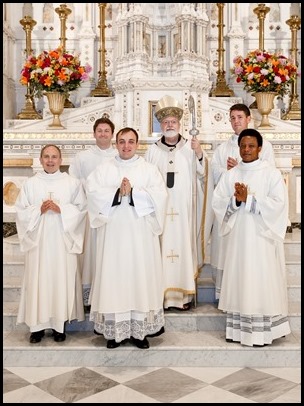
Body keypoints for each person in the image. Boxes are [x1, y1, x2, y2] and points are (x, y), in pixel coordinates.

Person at [86, 127, 168, 349]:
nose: (126, 146)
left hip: (140, 238)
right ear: (116, 144)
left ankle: (138, 332)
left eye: (130, 142)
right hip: (112, 237)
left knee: (138, 278)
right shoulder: (104, 169)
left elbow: (160, 196)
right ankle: (115, 332)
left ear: (137, 144)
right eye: (122, 141)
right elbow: (92, 193)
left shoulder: (149, 170)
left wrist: (133, 193)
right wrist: (116, 192)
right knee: (115, 279)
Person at [212, 128, 291, 346]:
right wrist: (235, 201)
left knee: (260, 280)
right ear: (238, 148)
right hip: (238, 241)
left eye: (251, 146)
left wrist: (250, 200)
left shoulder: (271, 173)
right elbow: (217, 203)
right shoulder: (231, 175)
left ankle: (263, 331)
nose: (246, 150)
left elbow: (279, 205)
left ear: (259, 148)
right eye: (243, 146)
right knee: (241, 278)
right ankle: (239, 330)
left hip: (261, 240)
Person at [145, 95, 214, 311]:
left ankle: (183, 297)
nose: (169, 125)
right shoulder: (152, 151)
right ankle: (161, 296)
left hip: (184, 212)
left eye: (173, 122)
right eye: (165, 122)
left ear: (179, 124)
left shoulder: (190, 148)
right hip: (160, 213)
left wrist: (200, 153)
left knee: (182, 248)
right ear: (160, 125)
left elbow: (204, 175)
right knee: (160, 250)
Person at [15, 144, 87, 344]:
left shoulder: (71, 183)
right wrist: (38, 209)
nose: (50, 160)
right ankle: (36, 328)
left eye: (54, 156)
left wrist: (61, 209)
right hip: (38, 244)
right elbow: (20, 211)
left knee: (59, 280)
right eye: (46, 156)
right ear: (40, 160)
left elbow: (81, 210)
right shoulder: (31, 184)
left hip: (62, 243)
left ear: (61, 160)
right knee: (38, 281)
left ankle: (59, 325)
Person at [210, 103, 276, 300]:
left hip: (255, 216)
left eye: (239, 117)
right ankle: (228, 296)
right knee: (230, 253)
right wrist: (230, 172)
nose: (236, 121)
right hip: (232, 212)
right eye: (232, 118)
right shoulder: (223, 147)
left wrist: (243, 167)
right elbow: (215, 175)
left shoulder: (264, 144)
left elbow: (268, 175)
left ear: (249, 119)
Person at [69, 116, 117, 310]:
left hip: (112, 212)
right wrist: (90, 189)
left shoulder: (118, 156)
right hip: (90, 211)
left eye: (107, 131)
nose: (103, 134)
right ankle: (89, 296)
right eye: (100, 130)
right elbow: (73, 182)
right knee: (91, 252)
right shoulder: (83, 157)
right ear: (94, 133)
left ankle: (109, 291)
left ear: (112, 134)